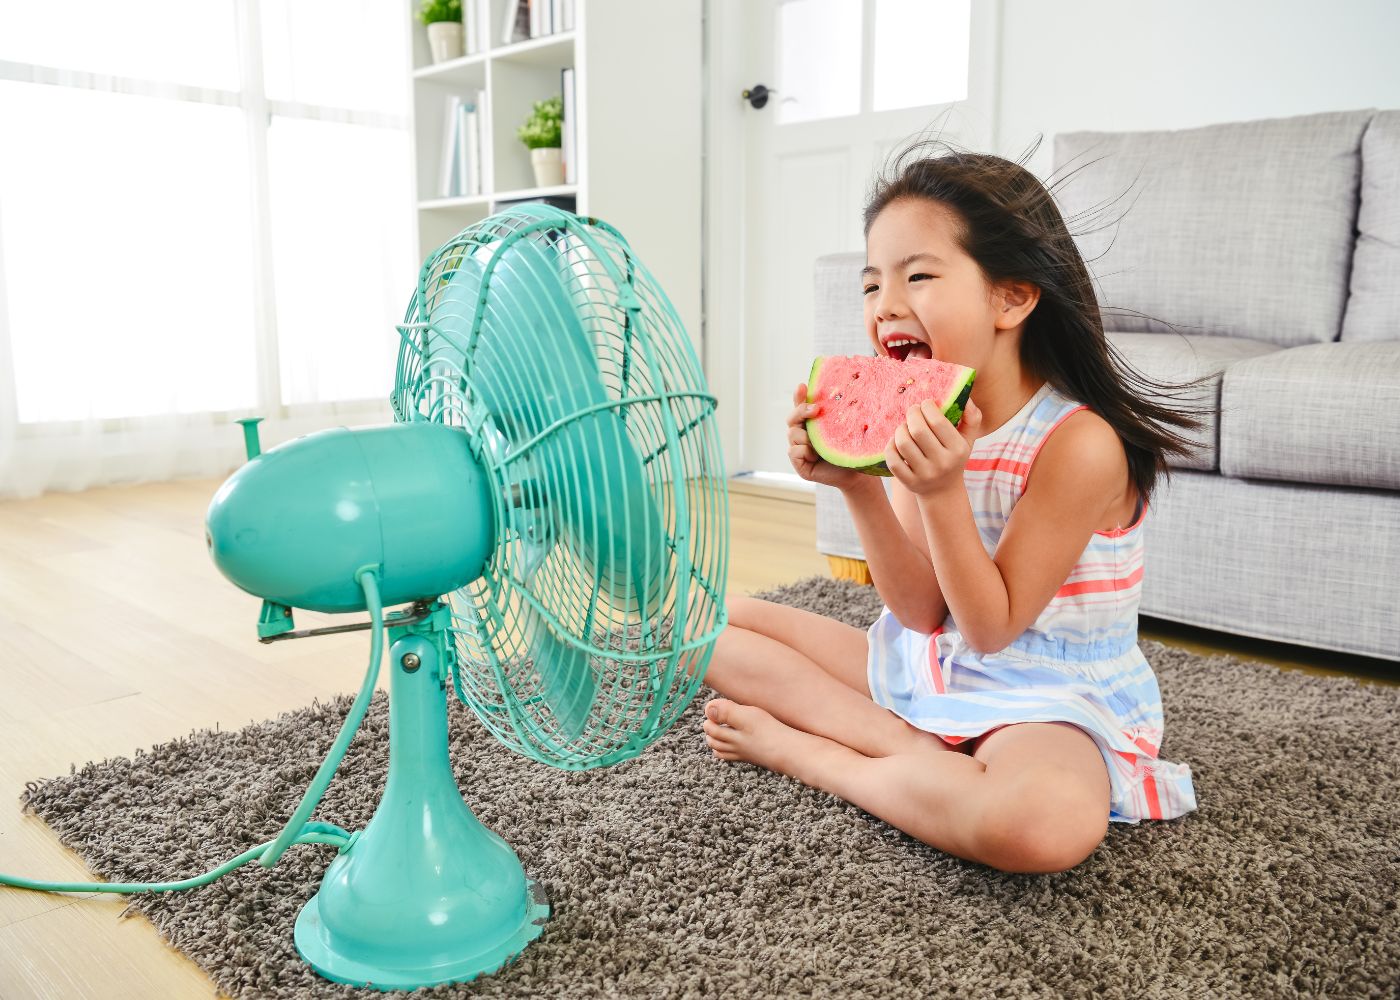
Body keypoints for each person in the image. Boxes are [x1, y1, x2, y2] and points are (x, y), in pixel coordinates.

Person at [702, 139, 1201, 874]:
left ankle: (826, 754)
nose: (886, 306)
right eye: (872, 285)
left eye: (920, 276)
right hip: (935, 659)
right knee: (704, 626)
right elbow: (922, 614)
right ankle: (914, 750)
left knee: (1041, 825)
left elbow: (992, 628)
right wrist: (860, 485)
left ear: (1013, 296)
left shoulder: (1080, 443)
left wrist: (940, 491)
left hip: (1046, 694)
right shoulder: (922, 409)